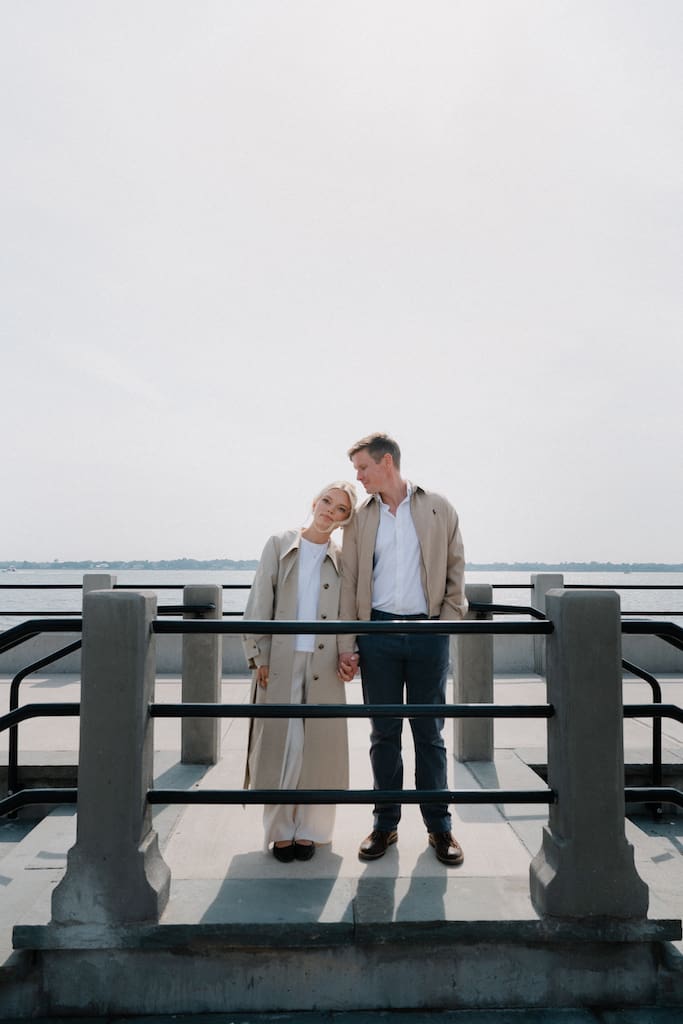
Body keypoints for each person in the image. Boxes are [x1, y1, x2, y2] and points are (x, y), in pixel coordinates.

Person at [337, 432, 468, 866]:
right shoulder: (359, 519)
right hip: (378, 637)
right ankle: (384, 824)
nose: (357, 477)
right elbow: (351, 582)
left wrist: (444, 627)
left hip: (428, 635)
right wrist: (349, 642)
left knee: (430, 734)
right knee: (383, 734)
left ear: (386, 462)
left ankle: (440, 829)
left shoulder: (438, 507)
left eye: (362, 468)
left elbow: (455, 569)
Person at [242, 481, 357, 863]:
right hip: (282, 659)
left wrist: (348, 653)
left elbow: (348, 612)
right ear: (314, 502)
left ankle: (311, 831)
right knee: (283, 745)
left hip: (324, 662)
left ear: (344, 520)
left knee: (319, 747)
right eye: (327, 501)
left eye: (340, 509)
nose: (330, 511)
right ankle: (280, 832)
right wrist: (258, 655)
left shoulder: (343, 558)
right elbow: (260, 598)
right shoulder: (279, 544)